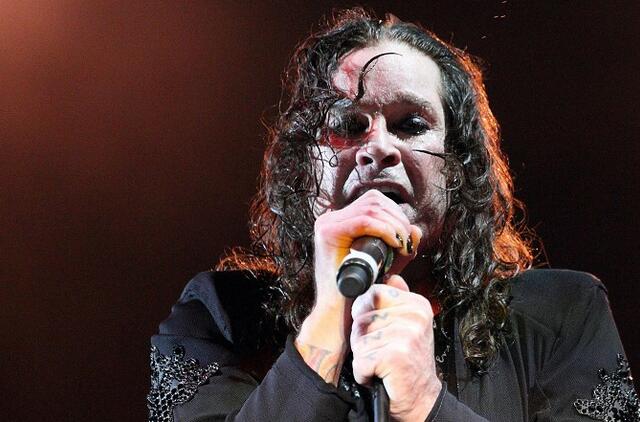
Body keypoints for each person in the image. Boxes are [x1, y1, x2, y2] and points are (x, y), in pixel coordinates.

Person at [147, 8, 638, 422]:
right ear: (302, 167)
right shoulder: (217, 317)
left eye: (411, 124)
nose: (378, 146)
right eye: (347, 125)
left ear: (459, 167)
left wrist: (426, 401)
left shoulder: (565, 315)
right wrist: (326, 324)